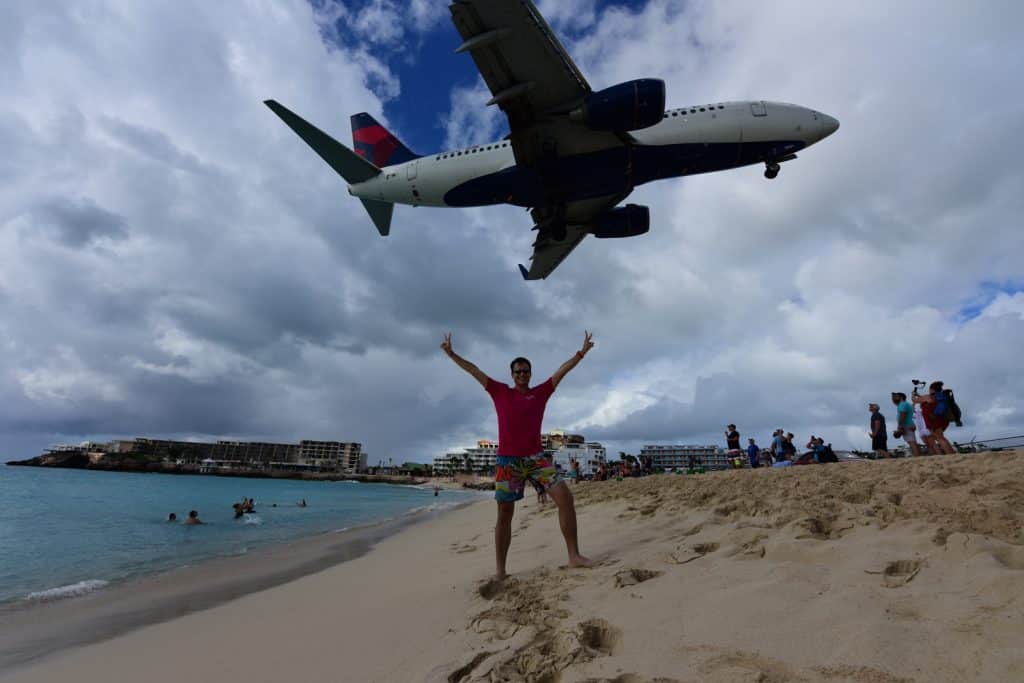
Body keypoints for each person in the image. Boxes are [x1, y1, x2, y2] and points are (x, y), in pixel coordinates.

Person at [442, 331, 593, 580]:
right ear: (512, 375)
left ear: (530, 374)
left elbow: (561, 371)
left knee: (565, 498)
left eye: (525, 371)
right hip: (507, 461)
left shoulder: (541, 392)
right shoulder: (500, 391)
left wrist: (581, 353)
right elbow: (474, 371)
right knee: (504, 513)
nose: (522, 374)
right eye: (518, 371)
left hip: (536, 459)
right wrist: (452, 355)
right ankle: (501, 571)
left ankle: (574, 556)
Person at [913, 381, 956, 454]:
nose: (929, 391)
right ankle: (952, 453)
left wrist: (913, 395)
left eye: (929, 389)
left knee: (939, 438)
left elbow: (915, 400)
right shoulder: (939, 396)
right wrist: (918, 395)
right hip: (941, 418)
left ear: (932, 389)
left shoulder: (928, 396)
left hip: (933, 420)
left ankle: (950, 453)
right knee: (941, 437)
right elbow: (925, 400)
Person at [892, 392, 921, 457]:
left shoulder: (902, 404)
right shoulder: (905, 404)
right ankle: (918, 456)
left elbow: (903, 415)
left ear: (901, 397)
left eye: (896, 396)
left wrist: (900, 426)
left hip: (906, 425)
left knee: (911, 442)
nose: (895, 397)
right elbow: (895, 402)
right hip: (908, 424)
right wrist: (892, 396)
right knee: (912, 442)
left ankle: (917, 457)